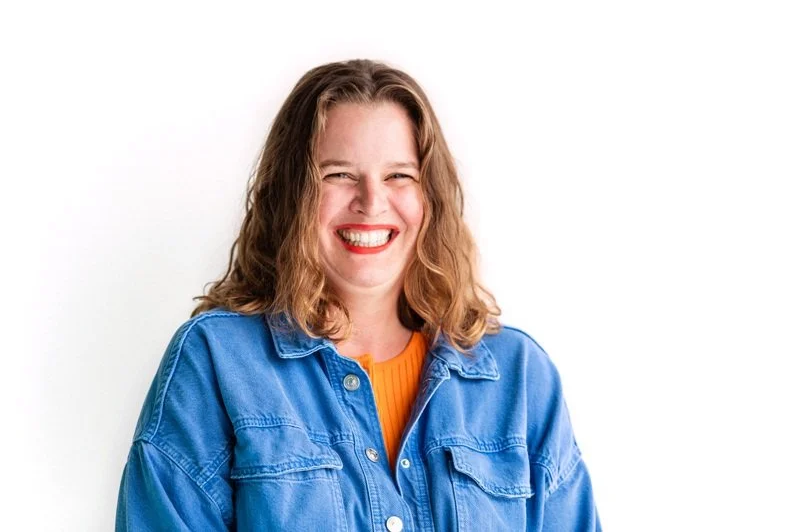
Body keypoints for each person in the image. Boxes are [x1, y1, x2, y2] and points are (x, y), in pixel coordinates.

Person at [115, 58, 601, 531]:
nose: (372, 202)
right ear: (293, 194)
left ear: (429, 196)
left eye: (399, 176)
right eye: (338, 174)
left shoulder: (518, 379)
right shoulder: (217, 363)